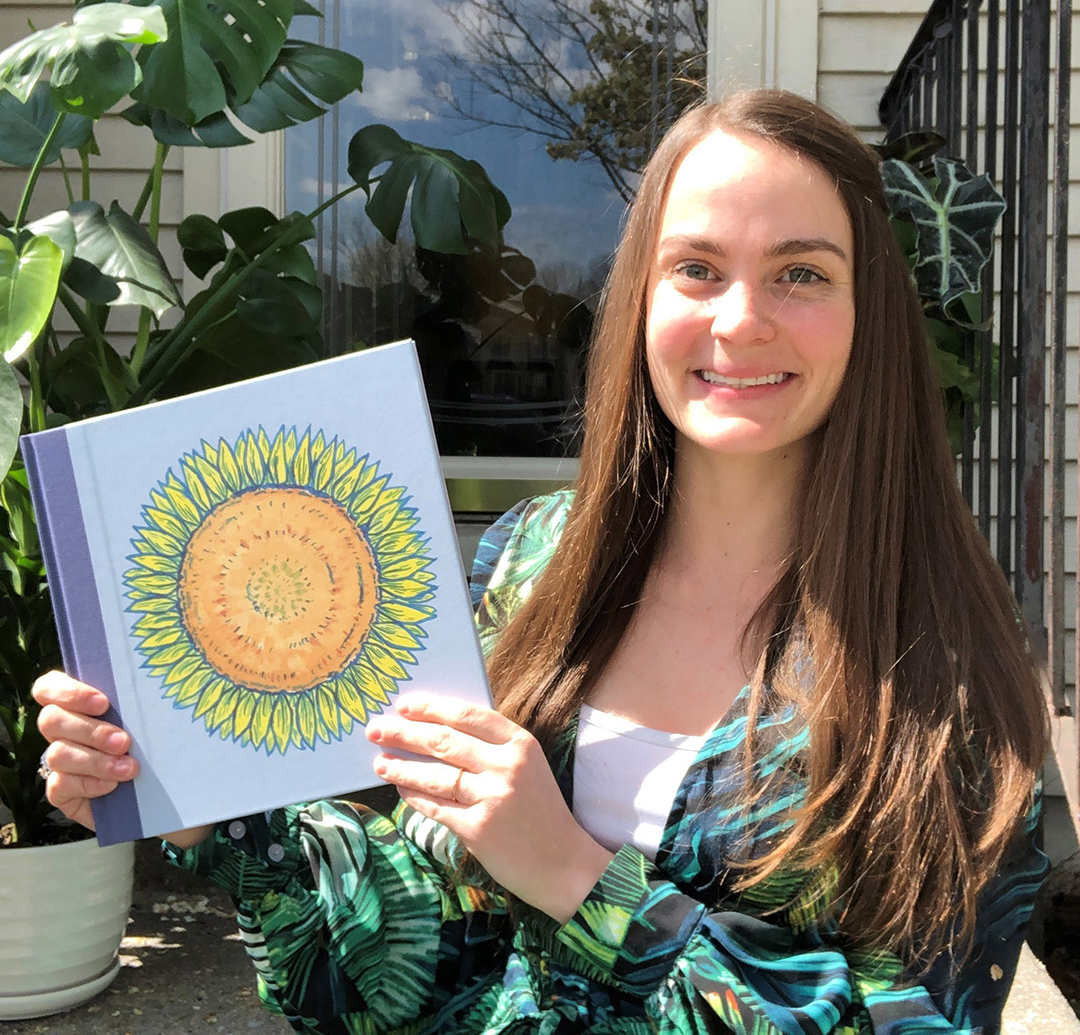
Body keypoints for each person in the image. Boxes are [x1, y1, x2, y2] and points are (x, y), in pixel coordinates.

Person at [33, 90, 1049, 1035]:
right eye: (696, 268)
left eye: (801, 273)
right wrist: (191, 803)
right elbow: (427, 968)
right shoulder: (532, 565)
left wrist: (574, 875)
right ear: (640, 301)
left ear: (869, 312)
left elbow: (927, 1016)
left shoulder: (943, 660)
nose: (740, 319)